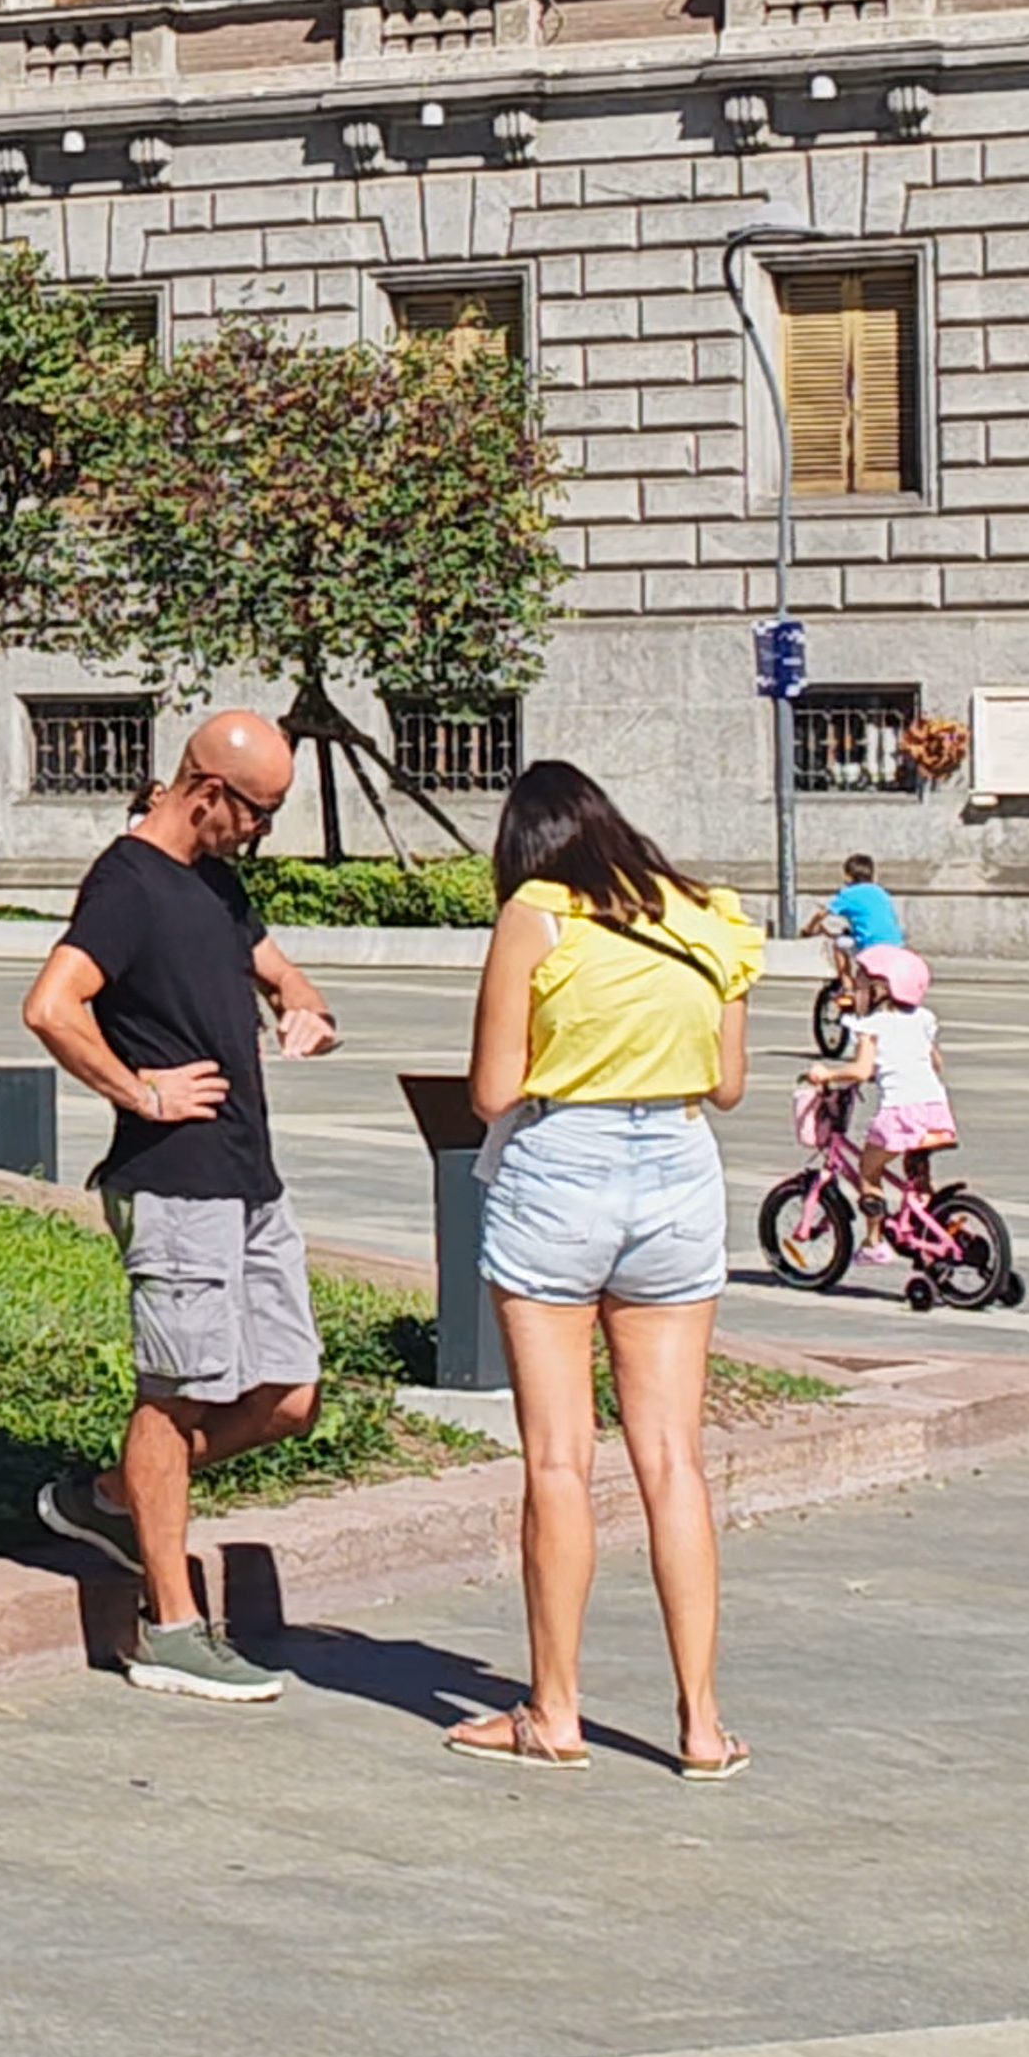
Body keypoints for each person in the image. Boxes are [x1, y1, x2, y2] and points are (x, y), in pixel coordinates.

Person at [19, 710, 339, 1707]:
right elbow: (50, 1004)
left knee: (289, 1393)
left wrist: (301, 1004)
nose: (264, 832)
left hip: (249, 1177)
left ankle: (116, 1496)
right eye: (260, 811)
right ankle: (169, 1625)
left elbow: (276, 964)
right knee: (177, 1394)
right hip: (174, 1182)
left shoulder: (215, 877)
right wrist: (142, 1090)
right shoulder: (128, 881)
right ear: (206, 790)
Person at [453, 759, 762, 1778]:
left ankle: (556, 1710)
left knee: (558, 1459)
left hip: (564, 1167)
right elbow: (726, 1084)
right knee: (673, 1457)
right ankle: (704, 1724)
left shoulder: (536, 913)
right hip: (678, 1166)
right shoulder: (709, 913)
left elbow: (494, 1086)